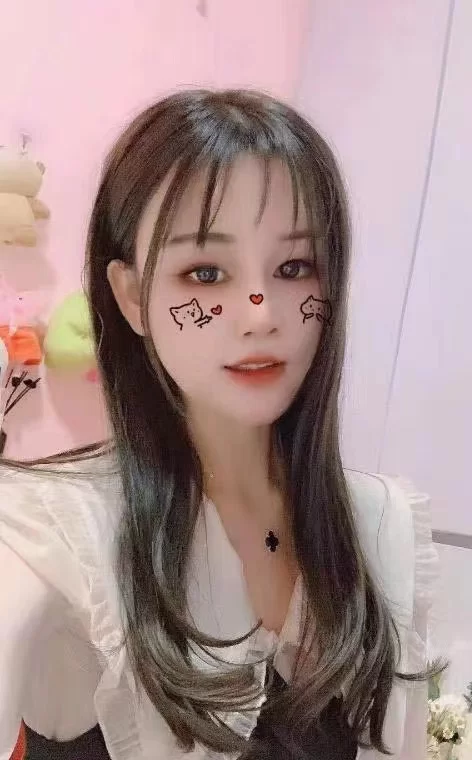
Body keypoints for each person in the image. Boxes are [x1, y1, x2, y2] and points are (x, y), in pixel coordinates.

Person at [0, 89, 440, 760]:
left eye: (294, 267)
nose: (261, 314)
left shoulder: (380, 526)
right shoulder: (53, 534)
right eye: (205, 272)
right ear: (132, 296)